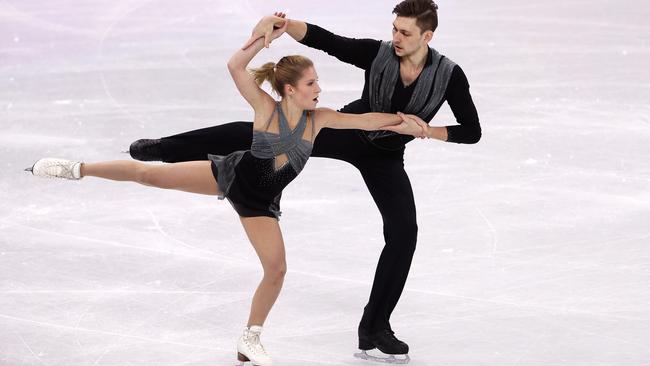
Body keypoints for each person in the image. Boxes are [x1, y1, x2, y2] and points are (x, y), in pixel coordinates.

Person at [26, 20, 408, 366]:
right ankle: (77, 169)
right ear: (290, 89)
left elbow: (364, 119)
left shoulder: (319, 118)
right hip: (229, 176)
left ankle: (249, 339)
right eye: (311, 83)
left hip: (260, 204)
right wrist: (262, 38)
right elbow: (235, 67)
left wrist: (406, 123)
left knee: (276, 270)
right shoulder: (265, 107)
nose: (319, 89)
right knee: (150, 176)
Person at [129, 0, 481, 362]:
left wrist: (424, 131)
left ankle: (375, 328)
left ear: (427, 35)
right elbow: (330, 41)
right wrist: (284, 24)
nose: (395, 37)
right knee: (262, 132)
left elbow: (472, 131)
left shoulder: (449, 75)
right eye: (394, 28)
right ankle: (166, 148)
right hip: (346, 131)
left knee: (404, 232)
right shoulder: (378, 54)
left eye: (405, 33)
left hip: (386, 157)